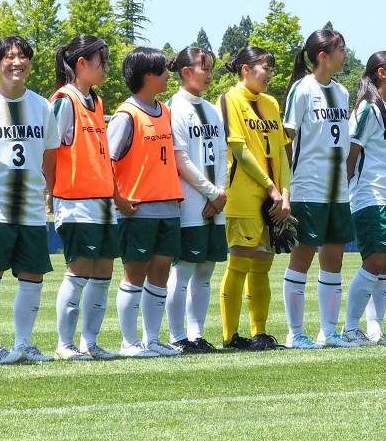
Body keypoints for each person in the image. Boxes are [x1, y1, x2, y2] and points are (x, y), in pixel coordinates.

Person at [0, 36, 59, 363]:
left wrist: (47, 186)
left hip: (31, 207)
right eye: (9, 57)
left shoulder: (42, 107)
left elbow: (50, 152)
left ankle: (23, 344)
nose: (17, 63)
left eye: (23, 57)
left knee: (33, 276)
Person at [107, 47, 184, 357]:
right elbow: (106, 163)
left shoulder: (165, 111)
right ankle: (129, 342)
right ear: (147, 77)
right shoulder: (126, 115)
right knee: (134, 274)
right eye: (163, 71)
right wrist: (119, 200)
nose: (168, 76)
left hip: (168, 208)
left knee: (161, 274)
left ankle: (151, 339)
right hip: (138, 211)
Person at [280, 28, 351, 349]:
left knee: (334, 260)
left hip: (338, 192)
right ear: (323, 55)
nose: (346, 55)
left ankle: (329, 332)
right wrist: (285, 188)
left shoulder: (343, 92)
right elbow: (286, 140)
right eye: (341, 49)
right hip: (308, 189)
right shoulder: (302, 89)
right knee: (302, 260)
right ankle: (296, 333)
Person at [51, 34, 120, 360]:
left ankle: (89, 343)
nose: (106, 68)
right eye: (101, 62)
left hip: (103, 202)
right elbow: (48, 152)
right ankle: (65, 345)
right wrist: (51, 193)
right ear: (81, 63)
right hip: (76, 202)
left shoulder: (98, 101)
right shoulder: (64, 101)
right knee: (78, 273)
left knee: (103, 273)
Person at [218, 46, 290, 351]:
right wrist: (270, 188)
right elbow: (239, 150)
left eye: (271, 69)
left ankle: (259, 333)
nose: (270, 75)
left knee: (262, 266)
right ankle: (230, 337)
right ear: (245, 69)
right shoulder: (229, 100)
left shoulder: (271, 104)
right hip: (244, 197)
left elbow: (282, 153)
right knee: (240, 264)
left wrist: (285, 194)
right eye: (265, 68)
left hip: (274, 200)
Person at [341, 51, 386, 345]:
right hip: (370, 196)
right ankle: (349, 328)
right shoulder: (367, 109)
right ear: (381, 73)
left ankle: (375, 329)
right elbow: (350, 156)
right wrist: (342, 196)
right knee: (375, 260)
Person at [167, 45, 228, 354]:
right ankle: (177, 337)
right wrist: (211, 192)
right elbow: (181, 160)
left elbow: (221, 153)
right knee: (184, 269)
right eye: (204, 68)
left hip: (215, 202)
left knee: (205, 270)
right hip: (191, 201)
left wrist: (221, 193)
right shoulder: (174, 107)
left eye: (211, 68)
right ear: (186, 72)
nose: (209, 74)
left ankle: (196, 335)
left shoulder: (212, 110)